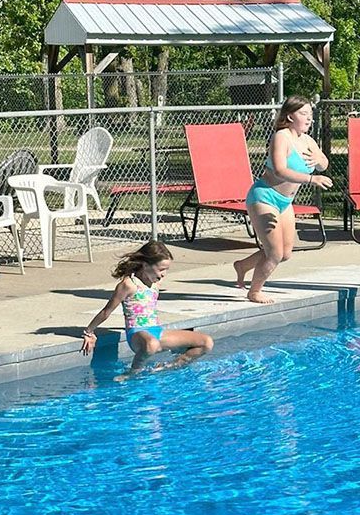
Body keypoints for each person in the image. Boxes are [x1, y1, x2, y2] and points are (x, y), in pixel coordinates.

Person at [233, 96, 333, 304]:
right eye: (303, 114)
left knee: (285, 253)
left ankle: (242, 266)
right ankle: (254, 291)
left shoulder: (308, 141)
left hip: (285, 202)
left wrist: (319, 160)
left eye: (310, 115)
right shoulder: (281, 137)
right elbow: (279, 170)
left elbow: (324, 163)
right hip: (264, 197)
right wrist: (311, 178)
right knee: (274, 253)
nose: (309, 119)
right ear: (290, 115)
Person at [81, 240, 214, 372]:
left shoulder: (156, 283)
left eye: (166, 270)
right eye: (161, 269)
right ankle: (133, 373)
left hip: (157, 332)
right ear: (145, 265)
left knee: (206, 342)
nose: (163, 274)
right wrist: (89, 332)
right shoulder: (128, 285)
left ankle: (167, 367)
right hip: (137, 334)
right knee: (152, 344)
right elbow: (106, 312)